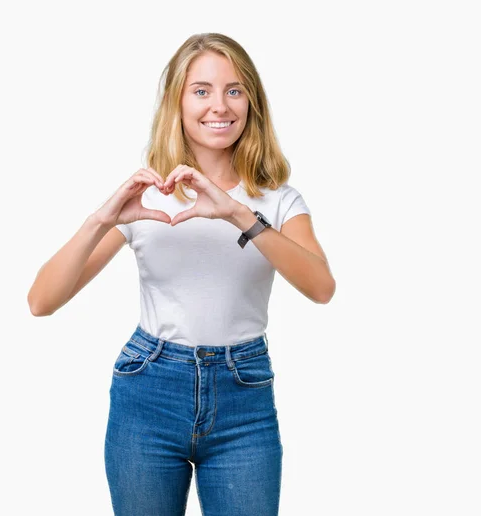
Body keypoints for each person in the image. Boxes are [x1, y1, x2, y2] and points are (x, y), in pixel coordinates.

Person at [28, 32, 335, 516]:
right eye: (202, 90)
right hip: (148, 390)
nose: (220, 105)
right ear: (177, 101)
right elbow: (41, 301)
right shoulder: (148, 196)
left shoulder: (276, 199)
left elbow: (321, 287)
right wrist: (101, 221)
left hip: (244, 400)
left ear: (251, 102)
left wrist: (238, 214)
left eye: (234, 90)